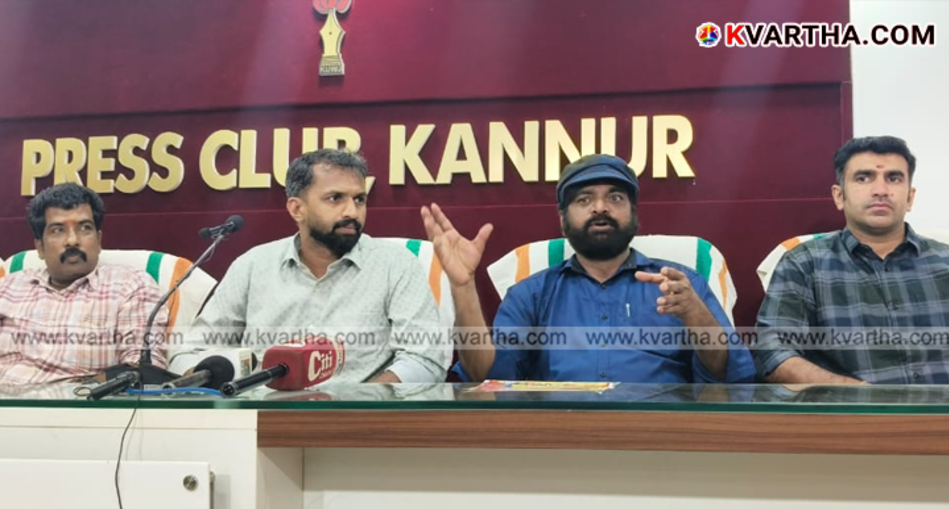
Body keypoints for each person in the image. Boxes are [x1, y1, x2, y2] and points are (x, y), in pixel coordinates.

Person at [421, 154, 757, 383]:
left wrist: (697, 317)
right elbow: (487, 378)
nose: (600, 207)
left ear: (634, 214)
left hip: (664, 441)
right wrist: (462, 285)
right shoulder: (532, 294)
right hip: (558, 445)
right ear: (563, 220)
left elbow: (730, 380)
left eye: (615, 198)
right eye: (584, 200)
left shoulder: (681, 284)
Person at [177, 149, 448, 383]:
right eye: (335, 198)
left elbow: (423, 360)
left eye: (359, 199)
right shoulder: (252, 266)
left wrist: (362, 401)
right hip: (259, 420)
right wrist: (203, 376)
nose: (352, 212)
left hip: (362, 422)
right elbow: (187, 352)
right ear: (297, 209)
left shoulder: (395, 265)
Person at [754, 136, 949, 384]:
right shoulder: (804, 263)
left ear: (909, 197)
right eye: (863, 178)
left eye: (894, 178)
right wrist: (856, 393)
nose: (881, 190)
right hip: (852, 418)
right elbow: (771, 351)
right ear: (839, 196)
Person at [0, 183, 167, 386]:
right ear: (40, 247)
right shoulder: (8, 287)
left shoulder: (130, 287)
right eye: (58, 230)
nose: (72, 241)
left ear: (98, 240)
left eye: (85, 228)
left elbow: (142, 372)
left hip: (79, 410)